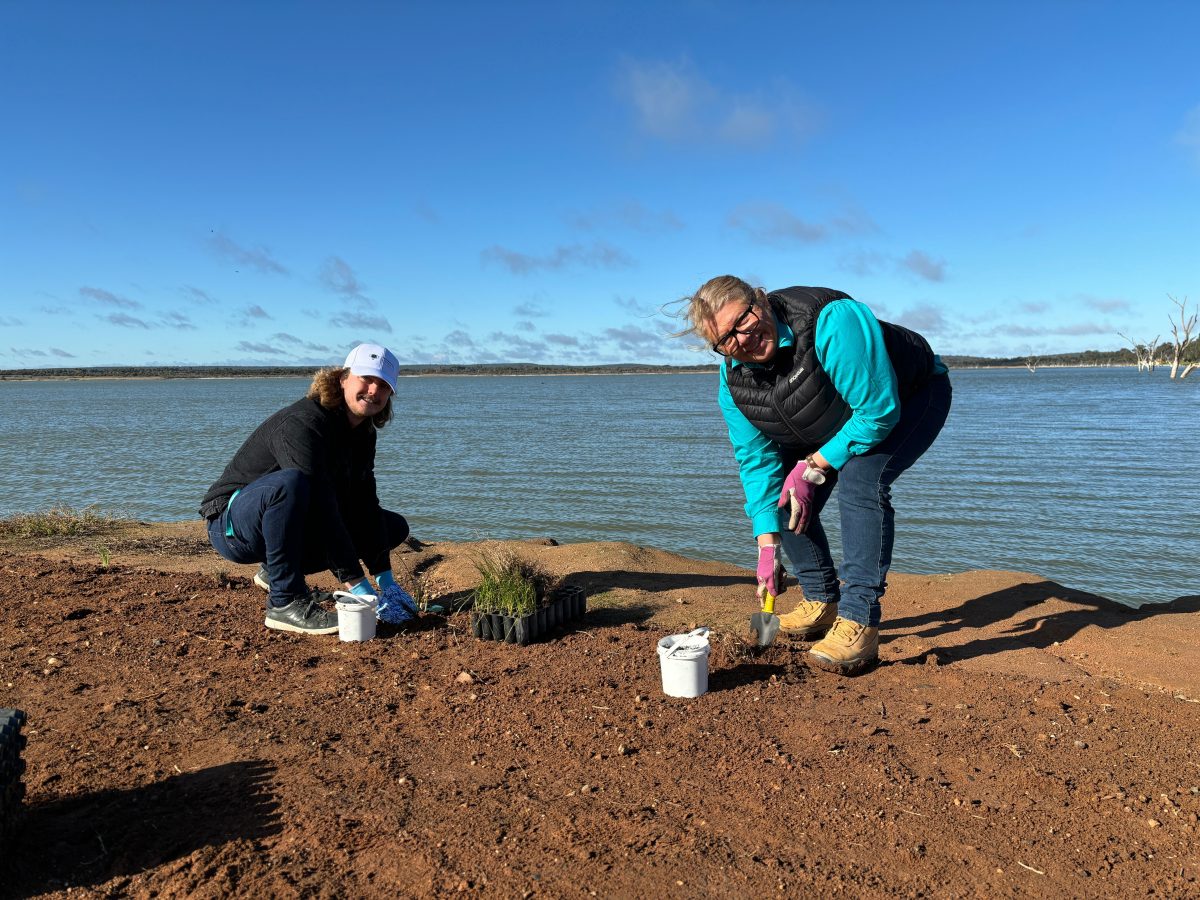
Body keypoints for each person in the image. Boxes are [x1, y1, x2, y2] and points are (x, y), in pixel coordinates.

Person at [679, 277, 951, 674]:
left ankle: (859, 621)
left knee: (861, 481)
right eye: (727, 340)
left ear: (760, 299)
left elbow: (877, 411)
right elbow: (756, 461)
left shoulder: (831, 321)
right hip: (831, 416)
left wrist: (813, 466)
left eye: (745, 320)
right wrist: (767, 548)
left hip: (908, 397)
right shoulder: (732, 383)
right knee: (779, 502)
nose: (744, 338)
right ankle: (820, 599)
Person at [199, 343, 421, 635]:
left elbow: (365, 503)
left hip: (283, 525)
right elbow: (320, 505)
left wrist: (386, 581)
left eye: (383, 385)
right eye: (366, 379)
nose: (373, 390)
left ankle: (277, 572)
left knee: (391, 526)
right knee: (292, 484)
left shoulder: (363, 432)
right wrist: (360, 587)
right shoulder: (303, 423)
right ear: (343, 379)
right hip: (232, 526)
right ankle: (284, 601)